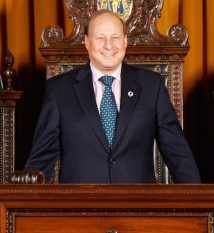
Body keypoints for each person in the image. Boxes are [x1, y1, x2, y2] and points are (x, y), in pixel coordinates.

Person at [24, 10, 201, 184]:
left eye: (115, 37)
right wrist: (25, 202)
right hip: (80, 207)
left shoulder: (152, 86)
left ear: (125, 42)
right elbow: (42, 156)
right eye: (101, 37)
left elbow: (177, 151)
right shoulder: (59, 90)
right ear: (86, 42)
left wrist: (196, 204)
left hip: (139, 207)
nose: (109, 45)